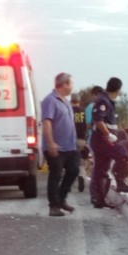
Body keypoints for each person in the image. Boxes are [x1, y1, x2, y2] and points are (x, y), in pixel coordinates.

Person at [89, 77, 128, 208]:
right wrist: (109, 135)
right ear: (118, 89)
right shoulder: (103, 101)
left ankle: (99, 200)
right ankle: (120, 183)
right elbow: (99, 120)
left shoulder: (107, 101)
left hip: (102, 141)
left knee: (101, 169)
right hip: (103, 140)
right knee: (123, 155)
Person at [40, 72, 80, 217]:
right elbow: (47, 122)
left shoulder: (66, 101)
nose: (72, 87)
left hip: (70, 146)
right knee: (55, 174)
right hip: (56, 146)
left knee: (74, 170)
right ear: (64, 84)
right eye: (71, 83)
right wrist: (50, 143)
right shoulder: (50, 100)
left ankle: (61, 199)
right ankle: (54, 206)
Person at [71, 93, 87, 193]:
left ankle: (68, 184)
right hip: (81, 139)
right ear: (79, 100)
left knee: (69, 162)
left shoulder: (68, 111)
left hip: (70, 141)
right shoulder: (83, 111)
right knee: (81, 161)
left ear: (71, 100)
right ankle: (81, 175)